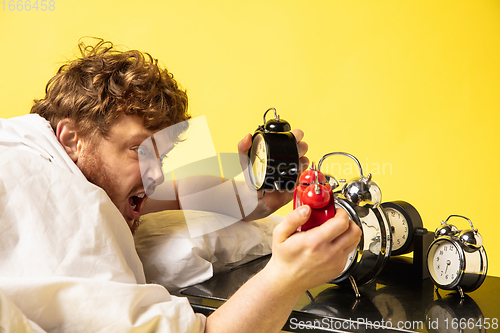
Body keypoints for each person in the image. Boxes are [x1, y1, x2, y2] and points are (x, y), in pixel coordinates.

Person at [0, 38, 361, 332]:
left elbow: (174, 191)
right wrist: (287, 277)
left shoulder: (49, 153)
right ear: (71, 138)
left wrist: (250, 198)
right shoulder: (64, 199)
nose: (155, 174)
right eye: (139, 150)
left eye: (162, 156)